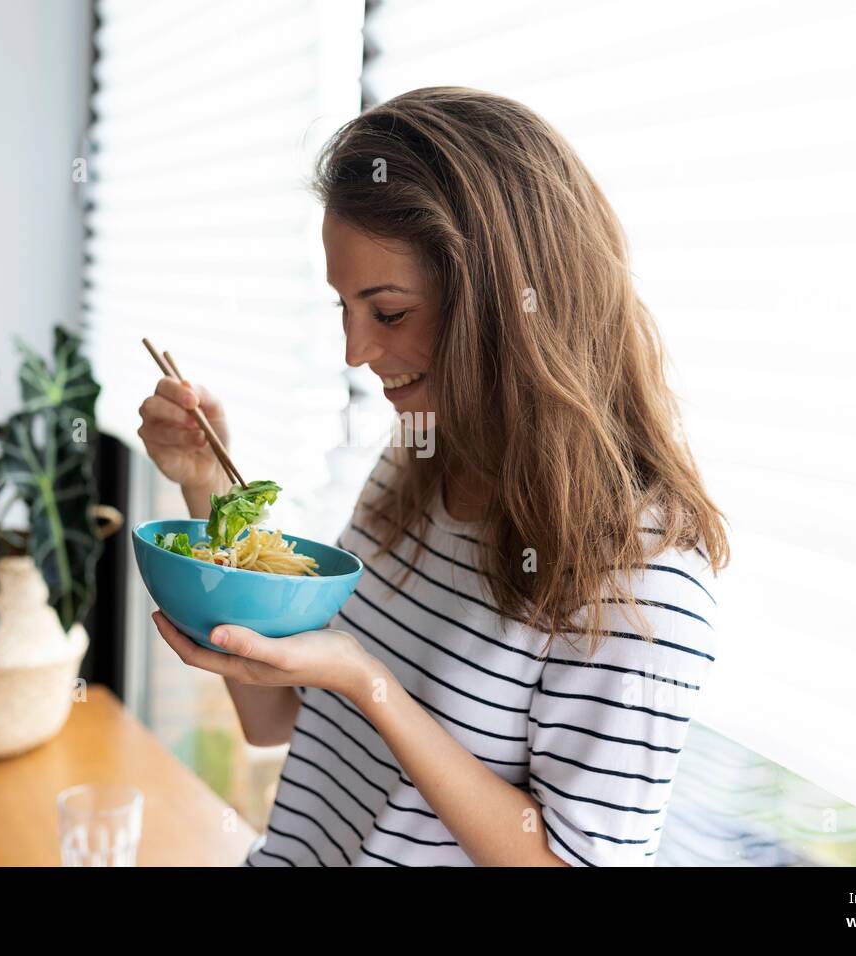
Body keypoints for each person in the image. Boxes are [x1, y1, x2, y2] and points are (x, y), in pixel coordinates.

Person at [137, 87, 729, 866]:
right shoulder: (415, 459)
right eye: (343, 308)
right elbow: (273, 718)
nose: (354, 351)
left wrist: (368, 683)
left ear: (508, 305)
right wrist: (206, 483)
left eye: (386, 313)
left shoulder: (642, 580)